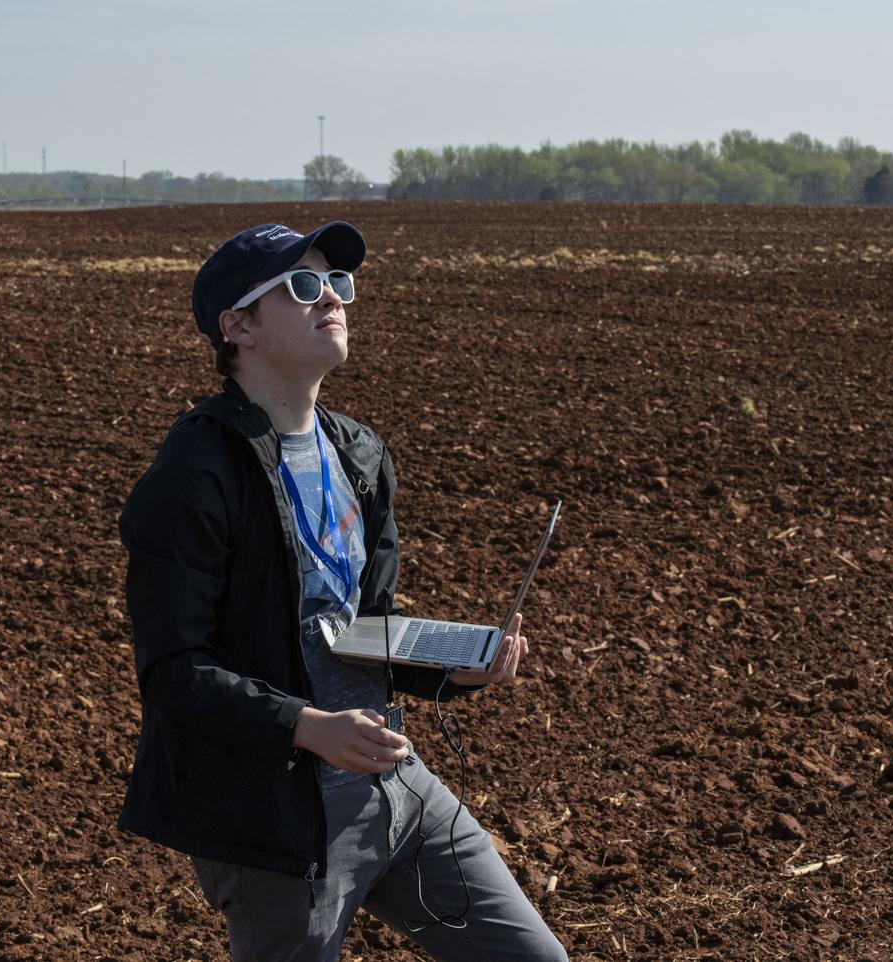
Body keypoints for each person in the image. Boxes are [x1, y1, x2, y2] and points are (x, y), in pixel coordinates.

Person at [117, 221, 566, 962]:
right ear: (239, 326)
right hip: (275, 819)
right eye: (301, 285)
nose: (332, 298)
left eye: (338, 283)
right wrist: (307, 726)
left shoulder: (359, 452)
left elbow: (365, 627)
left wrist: (451, 670)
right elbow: (174, 670)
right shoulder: (194, 475)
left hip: (393, 780)